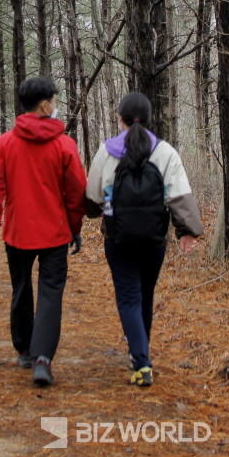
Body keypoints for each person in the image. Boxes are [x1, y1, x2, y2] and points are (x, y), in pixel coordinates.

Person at [85, 92, 203, 387]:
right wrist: (187, 230)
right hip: (154, 239)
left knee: (128, 297)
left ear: (120, 119)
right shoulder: (165, 153)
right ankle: (141, 355)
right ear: (151, 120)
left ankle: (140, 361)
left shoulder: (106, 152)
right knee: (145, 296)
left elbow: (93, 196)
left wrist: (91, 211)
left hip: (118, 237)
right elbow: (178, 195)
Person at [0, 76, 86, 387]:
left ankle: (25, 349)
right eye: (54, 101)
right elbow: (76, 193)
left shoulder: (4, 144)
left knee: (21, 288)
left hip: (18, 233)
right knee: (51, 293)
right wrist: (75, 228)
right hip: (55, 234)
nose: (56, 106)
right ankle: (43, 358)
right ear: (44, 105)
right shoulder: (65, 145)